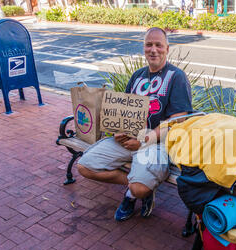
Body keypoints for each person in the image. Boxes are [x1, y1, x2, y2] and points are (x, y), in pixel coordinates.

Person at [77, 27, 193, 222]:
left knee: (138, 188)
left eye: (158, 45)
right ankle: (137, 185)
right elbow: (125, 110)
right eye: (149, 45)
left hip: (156, 144)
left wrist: (144, 140)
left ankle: (133, 193)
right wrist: (117, 131)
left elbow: (177, 122)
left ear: (167, 48)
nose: (153, 49)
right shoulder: (138, 76)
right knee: (84, 167)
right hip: (129, 140)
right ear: (144, 48)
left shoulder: (176, 77)